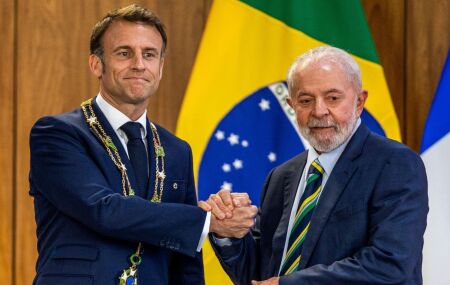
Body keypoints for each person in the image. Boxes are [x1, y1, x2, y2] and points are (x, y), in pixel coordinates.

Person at [29, 4, 257, 284]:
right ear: (96, 64)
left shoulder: (177, 150)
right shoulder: (57, 134)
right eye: (124, 53)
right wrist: (209, 221)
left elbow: (185, 259)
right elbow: (103, 210)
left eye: (149, 55)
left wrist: (208, 222)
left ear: (160, 68)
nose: (139, 64)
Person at [200, 46, 428, 285]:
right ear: (292, 105)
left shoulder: (395, 164)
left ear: (359, 102)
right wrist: (227, 234)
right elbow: (259, 275)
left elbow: (390, 263)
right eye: (306, 100)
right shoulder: (280, 177)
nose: (319, 111)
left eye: (333, 98)